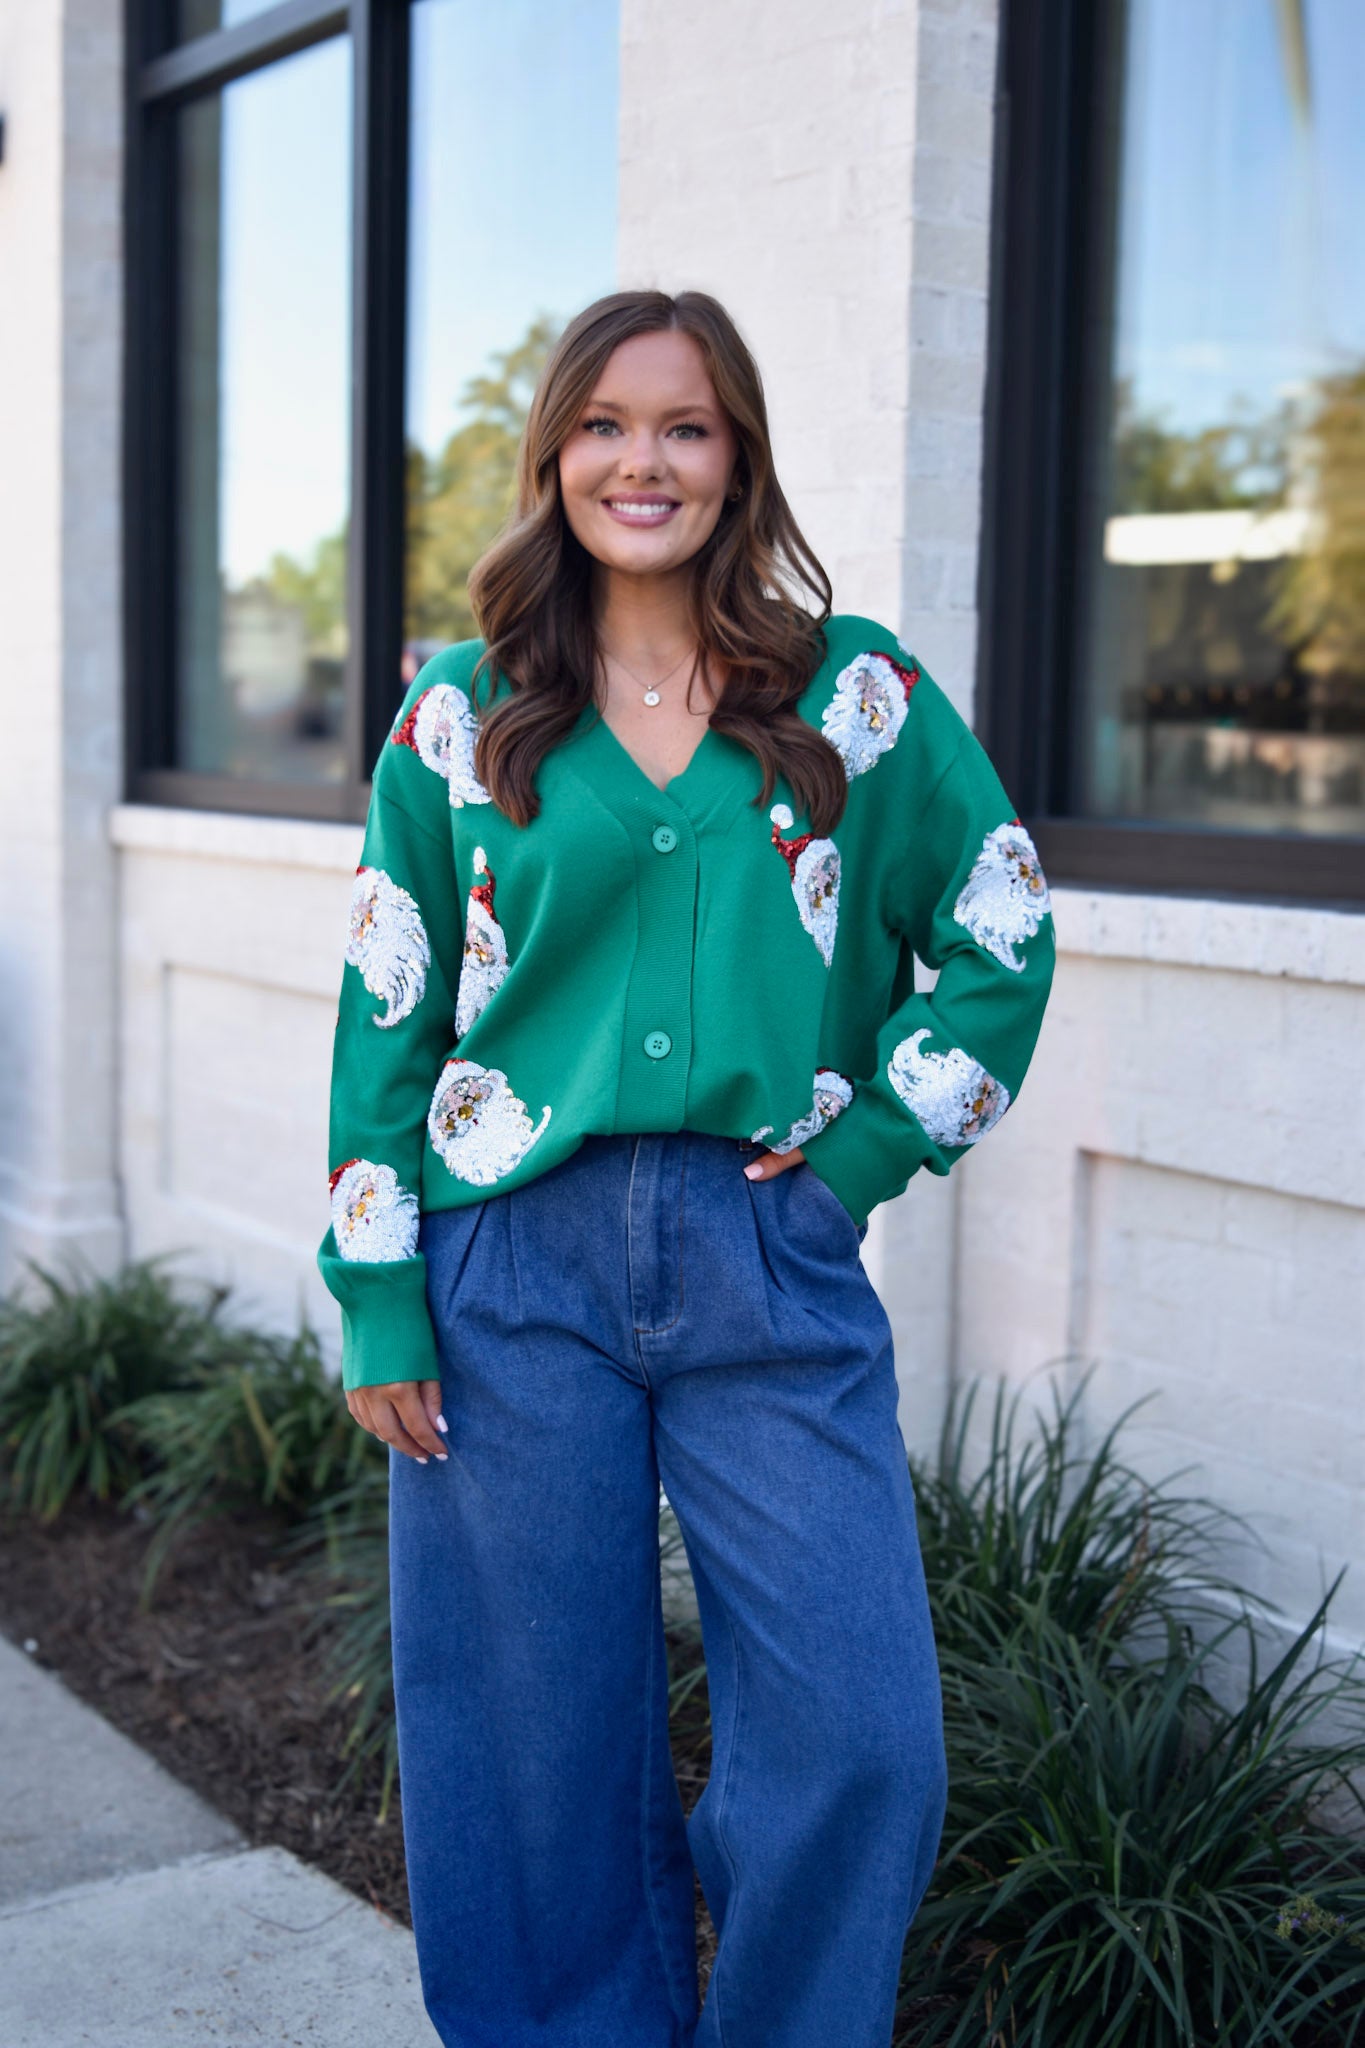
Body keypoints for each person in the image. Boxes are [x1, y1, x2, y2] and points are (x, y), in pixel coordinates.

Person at [317, 287, 1056, 2048]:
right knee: (532, 1755)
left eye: (686, 426)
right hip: (508, 1272)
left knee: (860, 1736)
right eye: (605, 424)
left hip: (764, 1256)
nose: (641, 460)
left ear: (736, 462)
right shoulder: (463, 708)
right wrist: (377, 1292)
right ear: (555, 451)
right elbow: (384, 1006)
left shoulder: (845, 692)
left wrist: (855, 1161)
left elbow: (998, 926)